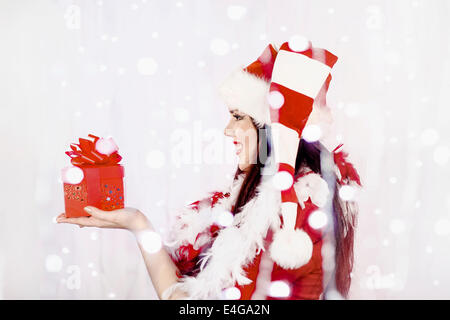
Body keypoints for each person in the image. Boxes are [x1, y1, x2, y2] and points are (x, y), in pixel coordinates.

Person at [57, 40, 362, 300]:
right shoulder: (250, 199)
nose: (228, 130)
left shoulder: (295, 212)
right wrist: (137, 224)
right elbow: (188, 295)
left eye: (238, 117)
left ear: (271, 129)